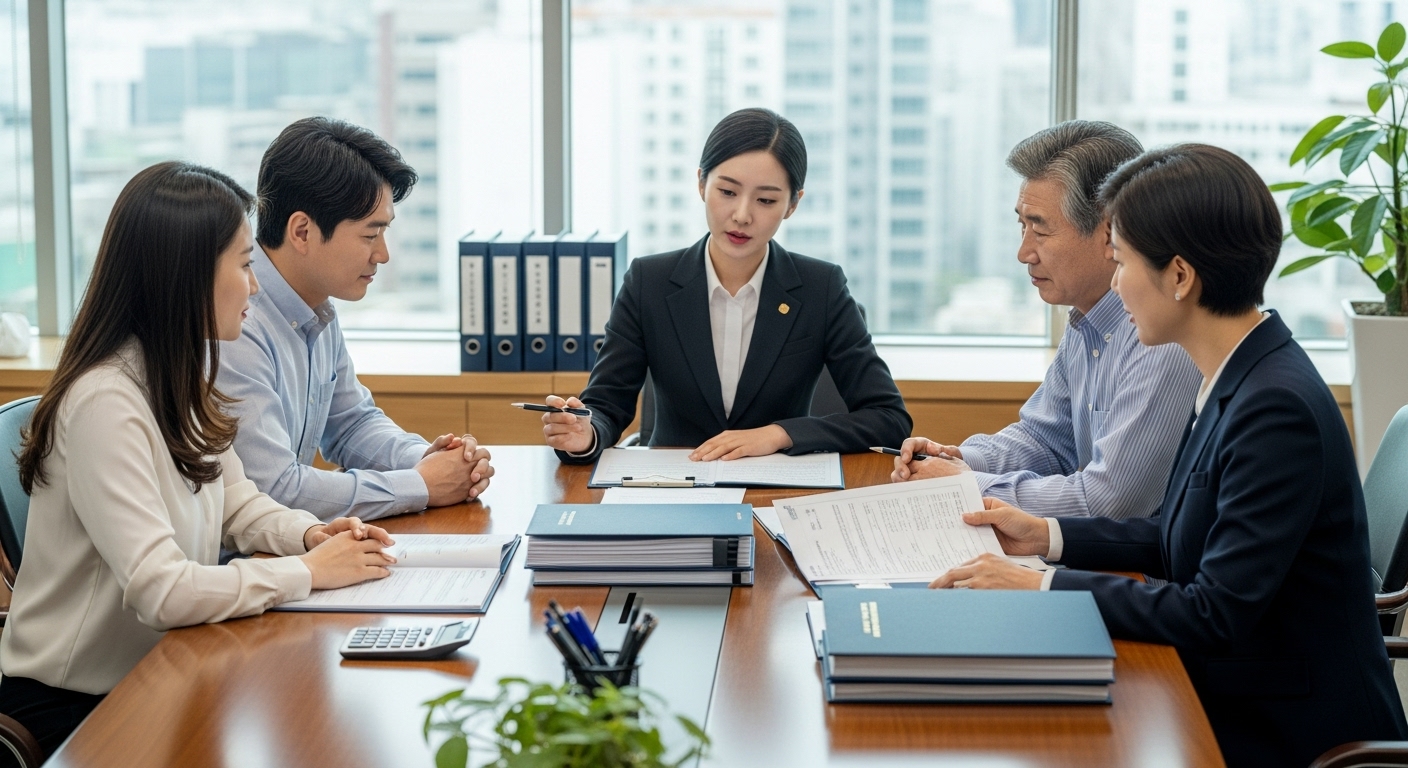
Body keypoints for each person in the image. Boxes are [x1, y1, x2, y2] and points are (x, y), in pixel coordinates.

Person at [930, 144, 1408, 767]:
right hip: (1229, 688)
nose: (1116, 282)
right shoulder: (1237, 373)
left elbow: (1213, 611)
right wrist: (1043, 535)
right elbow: (1175, 537)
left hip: (1283, 729)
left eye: (1122, 260)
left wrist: (1038, 585)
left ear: (1180, 277)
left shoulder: (1274, 408)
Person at [0, 162, 397, 757]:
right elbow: (160, 590)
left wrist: (311, 535)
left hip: (165, 666)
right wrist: (308, 573)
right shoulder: (105, 402)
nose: (256, 285)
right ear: (185, 278)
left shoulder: (181, 375)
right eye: (242, 265)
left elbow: (238, 504)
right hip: (77, 707)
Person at [542, 108, 911, 463]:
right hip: (673, 486)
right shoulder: (648, 282)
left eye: (766, 200)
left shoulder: (821, 288)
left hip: (778, 490)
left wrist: (779, 434)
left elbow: (889, 419)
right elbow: (606, 406)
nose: (742, 215)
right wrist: (584, 436)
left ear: (793, 204)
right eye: (728, 192)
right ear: (702, 183)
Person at [891, 121, 1201, 520]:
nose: (1024, 253)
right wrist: (957, 457)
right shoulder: (1087, 320)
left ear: (1111, 231)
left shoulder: (1163, 336)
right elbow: (1046, 439)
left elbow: (1109, 502)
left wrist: (962, 483)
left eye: (1040, 229)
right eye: (1022, 226)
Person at [216, 117, 492, 522]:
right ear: (302, 231)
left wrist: (431, 461)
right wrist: (422, 485)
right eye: (369, 235)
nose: (383, 254)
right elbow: (273, 489)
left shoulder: (315, 306)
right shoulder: (234, 322)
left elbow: (350, 424)